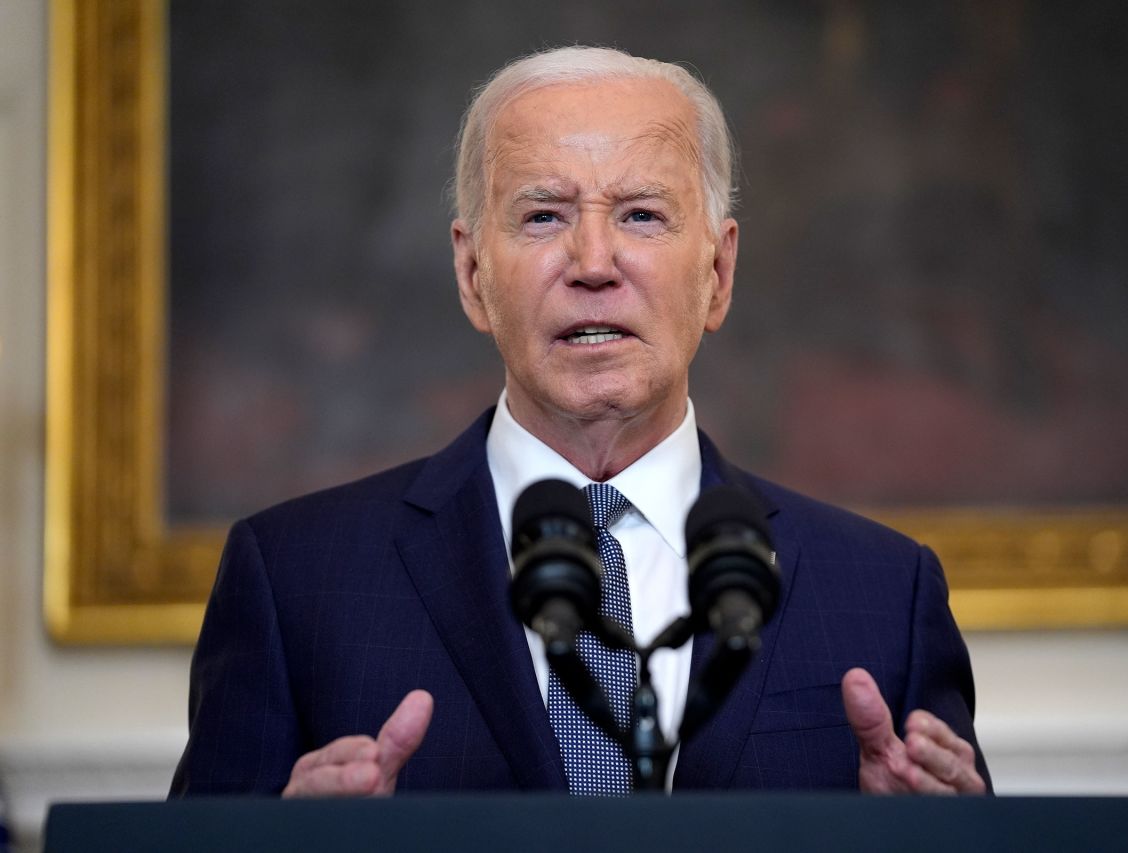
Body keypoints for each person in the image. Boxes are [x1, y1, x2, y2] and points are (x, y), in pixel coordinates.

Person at [171, 45, 990, 798]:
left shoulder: (883, 594)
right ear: (470, 272)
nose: (594, 264)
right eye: (543, 216)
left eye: (641, 214)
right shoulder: (294, 580)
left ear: (718, 273)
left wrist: (952, 846)